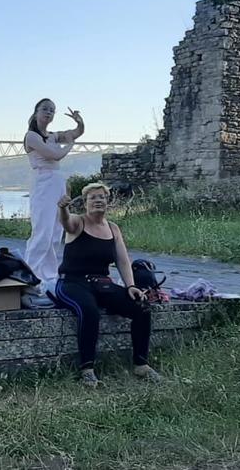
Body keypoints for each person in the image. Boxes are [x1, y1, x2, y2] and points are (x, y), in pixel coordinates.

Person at [49, 182, 159, 387]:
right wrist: (63, 208)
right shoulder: (78, 222)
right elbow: (66, 222)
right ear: (85, 203)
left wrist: (131, 286)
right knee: (89, 311)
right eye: (93, 198)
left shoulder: (113, 228)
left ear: (107, 201)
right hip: (72, 283)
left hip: (101, 283)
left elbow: (123, 260)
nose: (98, 200)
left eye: (102, 197)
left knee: (141, 306)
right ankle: (87, 369)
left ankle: (141, 365)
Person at [23, 98, 84, 309]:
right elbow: (54, 154)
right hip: (43, 181)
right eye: (45, 109)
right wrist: (70, 146)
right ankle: (29, 276)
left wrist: (79, 122)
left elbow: (76, 133)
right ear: (37, 111)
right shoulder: (32, 136)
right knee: (42, 230)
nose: (49, 113)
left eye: (52, 110)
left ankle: (49, 276)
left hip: (56, 181)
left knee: (56, 231)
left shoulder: (52, 135)